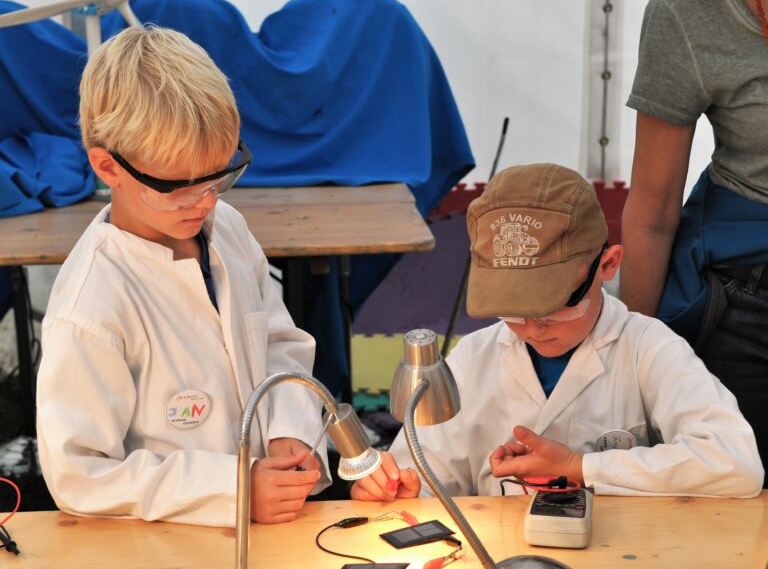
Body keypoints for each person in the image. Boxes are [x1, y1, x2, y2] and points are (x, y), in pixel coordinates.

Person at [35, 26, 330, 527]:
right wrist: (232, 489)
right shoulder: (90, 306)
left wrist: (290, 431)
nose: (208, 200)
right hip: (174, 543)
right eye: (179, 187)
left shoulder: (227, 229)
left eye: (220, 175)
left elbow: (278, 346)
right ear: (108, 167)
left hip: (271, 527)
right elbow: (79, 474)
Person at [352, 163, 764, 500]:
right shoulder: (470, 362)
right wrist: (397, 488)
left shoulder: (647, 348)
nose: (531, 327)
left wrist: (580, 468)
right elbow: (424, 475)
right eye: (512, 307)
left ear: (608, 265)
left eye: (551, 306)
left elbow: (736, 463)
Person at [621, 0, 768, 486]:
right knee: (740, 502)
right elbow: (652, 211)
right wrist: (635, 359)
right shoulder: (686, 13)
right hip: (747, 292)